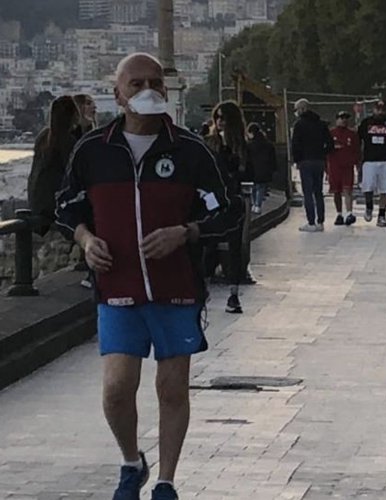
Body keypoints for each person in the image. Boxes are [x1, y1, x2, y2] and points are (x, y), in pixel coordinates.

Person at [55, 53, 239, 500]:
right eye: (136, 83)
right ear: (117, 95)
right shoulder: (94, 151)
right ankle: (132, 461)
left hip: (176, 288)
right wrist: (84, 239)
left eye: (155, 81)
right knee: (117, 388)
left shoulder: (190, 150)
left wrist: (186, 232)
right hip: (116, 288)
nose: (147, 90)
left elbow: (230, 210)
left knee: (171, 386)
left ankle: (165, 482)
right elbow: (65, 207)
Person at [207, 101, 253, 314]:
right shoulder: (209, 143)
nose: (220, 122)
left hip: (233, 199)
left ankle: (233, 293)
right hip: (212, 199)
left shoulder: (243, 146)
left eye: (224, 118)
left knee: (235, 246)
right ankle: (203, 286)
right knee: (208, 243)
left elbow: (248, 172)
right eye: (217, 118)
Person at [28, 95, 81, 235]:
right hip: (52, 206)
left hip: (37, 203)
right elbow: (75, 175)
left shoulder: (43, 137)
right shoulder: (67, 141)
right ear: (73, 115)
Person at [292, 98, 333, 232]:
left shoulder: (299, 125)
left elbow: (295, 145)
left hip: (305, 161)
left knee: (307, 193)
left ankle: (311, 222)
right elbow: (330, 144)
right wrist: (323, 153)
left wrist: (297, 160)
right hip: (319, 161)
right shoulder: (321, 124)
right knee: (318, 192)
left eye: (296, 109)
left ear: (302, 109)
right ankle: (320, 221)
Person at [358, 100, 386, 227]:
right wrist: (358, 160)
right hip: (369, 160)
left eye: (382, 109)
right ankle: (369, 206)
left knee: (385, 189)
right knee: (368, 186)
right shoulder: (366, 123)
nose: (380, 111)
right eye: (378, 109)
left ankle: (382, 215)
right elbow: (358, 141)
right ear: (373, 110)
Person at [328, 110, 360, 226]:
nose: (344, 120)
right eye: (341, 118)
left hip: (347, 167)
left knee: (348, 190)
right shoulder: (331, 133)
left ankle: (349, 213)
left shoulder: (352, 134)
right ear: (337, 119)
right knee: (336, 191)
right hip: (334, 167)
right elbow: (326, 149)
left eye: (346, 118)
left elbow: (357, 150)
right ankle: (339, 213)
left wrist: (357, 163)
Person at [247, 123, 276, 214]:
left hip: (253, 169)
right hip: (265, 168)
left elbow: (247, 158)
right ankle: (258, 206)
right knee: (261, 187)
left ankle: (254, 205)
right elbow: (273, 158)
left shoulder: (250, 145)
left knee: (253, 187)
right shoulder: (268, 144)